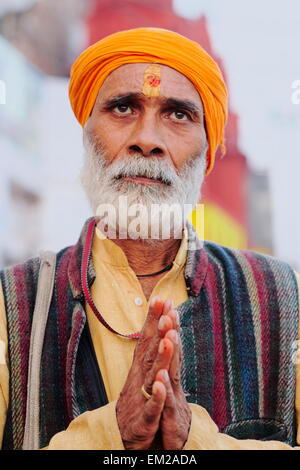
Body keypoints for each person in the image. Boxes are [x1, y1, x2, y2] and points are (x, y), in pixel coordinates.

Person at [0, 27, 299, 451]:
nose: (147, 140)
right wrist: (109, 435)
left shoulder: (283, 297)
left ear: (208, 150)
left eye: (178, 114)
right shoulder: (9, 305)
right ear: (87, 136)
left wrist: (198, 442)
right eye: (123, 108)